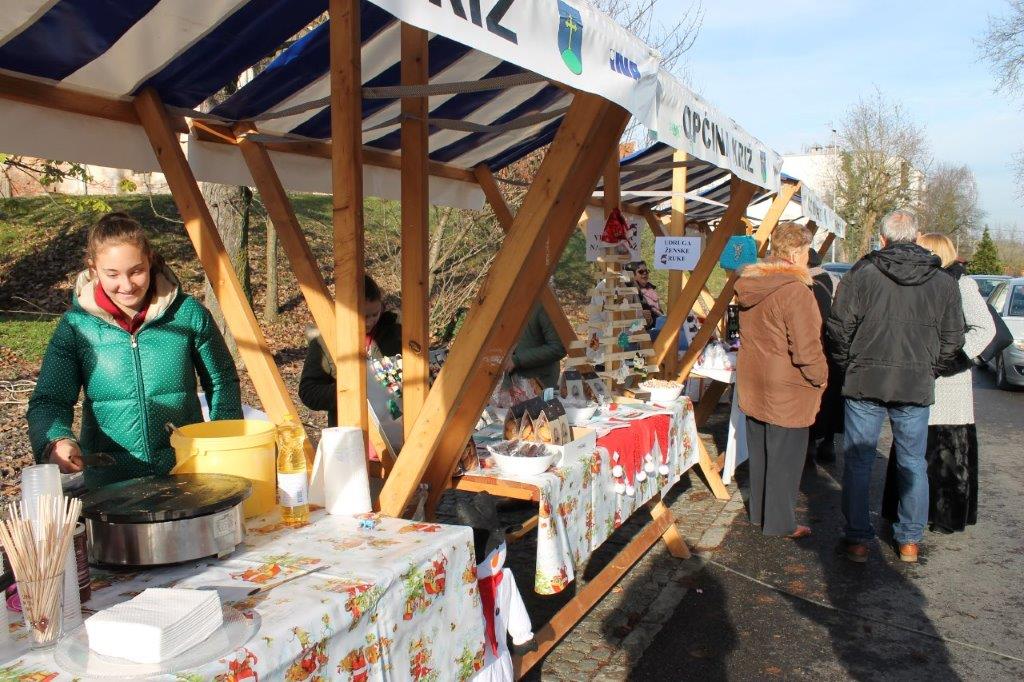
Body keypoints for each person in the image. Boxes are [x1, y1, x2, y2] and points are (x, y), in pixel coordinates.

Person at [27, 212, 241, 488]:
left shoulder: (188, 314)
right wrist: (56, 441)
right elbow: (49, 400)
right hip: (110, 485)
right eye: (112, 274)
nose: (127, 285)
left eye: (136, 271)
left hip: (186, 473)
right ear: (93, 269)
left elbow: (222, 380)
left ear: (150, 260)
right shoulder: (76, 326)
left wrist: (226, 441)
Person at [826, 210, 965, 564]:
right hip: (912, 382)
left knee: (859, 461)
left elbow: (838, 328)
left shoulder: (862, 273)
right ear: (916, 238)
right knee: (912, 461)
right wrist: (930, 369)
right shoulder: (943, 281)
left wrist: (850, 364)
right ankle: (909, 541)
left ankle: (858, 539)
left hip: (867, 379)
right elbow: (954, 338)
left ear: (883, 239)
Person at [881, 233, 995, 534]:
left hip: (949, 385)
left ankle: (945, 515)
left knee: (947, 451)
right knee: (913, 447)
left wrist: (953, 361)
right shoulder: (921, 282)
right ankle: (907, 512)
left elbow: (985, 328)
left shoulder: (962, 284)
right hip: (918, 379)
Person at [735, 223, 827, 538]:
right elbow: (807, 349)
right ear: (798, 253)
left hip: (754, 381)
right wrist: (821, 378)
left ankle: (760, 514)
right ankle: (780, 523)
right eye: (807, 251)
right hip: (787, 387)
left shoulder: (751, 284)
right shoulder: (796, 291)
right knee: (785, 459)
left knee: (761, 454)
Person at [299, 274, 401, 427]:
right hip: (349, 428)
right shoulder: (326, 341)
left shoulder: (395, 332)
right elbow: (309, 392)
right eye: (364, 316)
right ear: (347, 311)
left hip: (393, 423)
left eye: (375, 314)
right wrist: (349, 391)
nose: (370, 322)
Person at [807, 247, 844, 463]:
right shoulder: (834, 280)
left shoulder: (801, 283)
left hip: (813, 345)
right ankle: (829, 442)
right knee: (831, 396)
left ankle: (810, 442)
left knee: (813, 395)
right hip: (832, 345)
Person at [506, 306, 567, 390]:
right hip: (506, 382)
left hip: (539, 383)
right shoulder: (500, 303)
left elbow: (559, 348)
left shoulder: (543, 304)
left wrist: (517, 360)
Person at [626, 261, 663, 329]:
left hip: (657, 324)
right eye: (641, 272)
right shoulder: (630, 292)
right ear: (632, 275)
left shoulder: (651, 289)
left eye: (646, 271)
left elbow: (659, 311)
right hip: (644, 329)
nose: (645, 273)